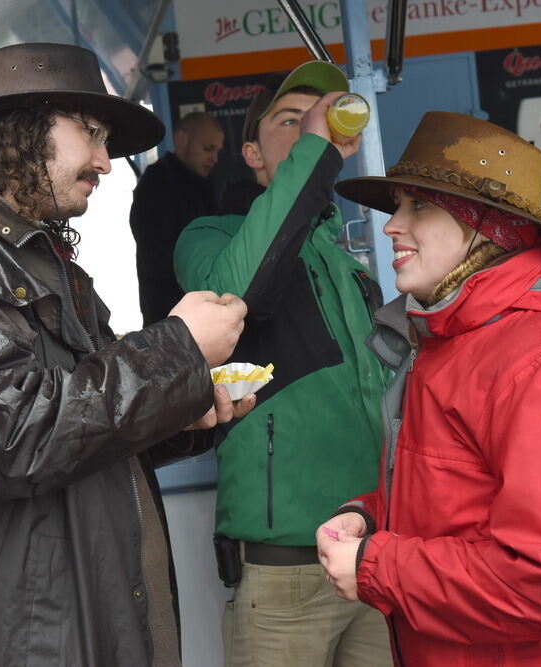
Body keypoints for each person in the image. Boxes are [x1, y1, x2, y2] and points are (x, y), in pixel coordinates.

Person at [0, 43, 253, 666]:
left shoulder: (48, 266)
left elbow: (84, 432)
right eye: (90, 132)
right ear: (21, 129)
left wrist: (182, 411)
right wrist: (177, 347)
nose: (106, 161)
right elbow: (11, 436)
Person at [319, 111, 541, 666]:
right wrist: (372, 518)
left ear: (487, 226)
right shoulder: (455, 341)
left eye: (420, 205)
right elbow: (463, 503)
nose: (389, 226)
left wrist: (376, 565)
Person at [174, 62, 392, 667]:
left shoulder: (349, 263)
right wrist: (317, 148)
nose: (307, 131)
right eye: (290, 121)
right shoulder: (209, 235)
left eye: (318, 120)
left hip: (376, 562)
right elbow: (236, 298)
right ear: (250, 151)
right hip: (282, 579)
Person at [130, 111, 224, 325]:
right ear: (182, 140)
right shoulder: (157, 184)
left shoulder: (203, 184)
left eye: (218, 151)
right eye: (208, 148)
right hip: (169, 319)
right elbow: (157, 258)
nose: (215, 158)